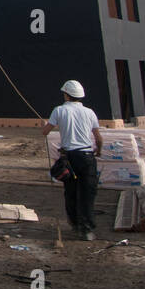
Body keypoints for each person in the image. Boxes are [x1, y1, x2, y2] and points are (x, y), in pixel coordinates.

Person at [41, 80, 102, 240]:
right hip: (87, 156)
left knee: (71, 191)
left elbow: (45, 132)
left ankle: (75, 224)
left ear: (67, 94)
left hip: (69, 158)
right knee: (88, 193)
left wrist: (44, 126)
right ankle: (87, 229)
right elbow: (99, 138)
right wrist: (98, 151)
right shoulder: (90, 112)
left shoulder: (59, 110)